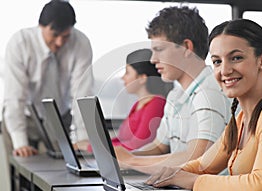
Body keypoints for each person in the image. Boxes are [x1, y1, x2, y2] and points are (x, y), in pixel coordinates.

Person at [146, 18, 262, 191]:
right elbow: (204, 165)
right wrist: (170, 175)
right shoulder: (242, 119)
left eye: (236, 58)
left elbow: (260, 189)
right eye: (217, 62)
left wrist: (192, 181)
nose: (224, 70)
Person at [115, 6, 231, 174]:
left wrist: (132, 161)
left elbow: (196, 158)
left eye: (159, 50)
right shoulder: (175, 95)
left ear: (186, 47)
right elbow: (160, 146)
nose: (153, 60)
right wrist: (123, 158)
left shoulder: (209, 92)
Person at [1, 0, 94, 157]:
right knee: (21, 170)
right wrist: (20, 143)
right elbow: (15, 96)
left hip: (59, 116)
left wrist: (83, 137)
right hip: (24, 115)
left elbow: (82, 93)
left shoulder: (81, 43)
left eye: (65, 36)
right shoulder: (20, 43)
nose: (59, 42)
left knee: (62, 170)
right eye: (55, 35)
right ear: (41, 26)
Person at [87, 48, 173, 152]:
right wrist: (95, 146)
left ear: (142, 78)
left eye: (127, 73)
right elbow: (122, 140)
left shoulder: (157, 104)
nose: (123, 78)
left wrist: (93, 148)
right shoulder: (138, 104)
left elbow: (137, 145)